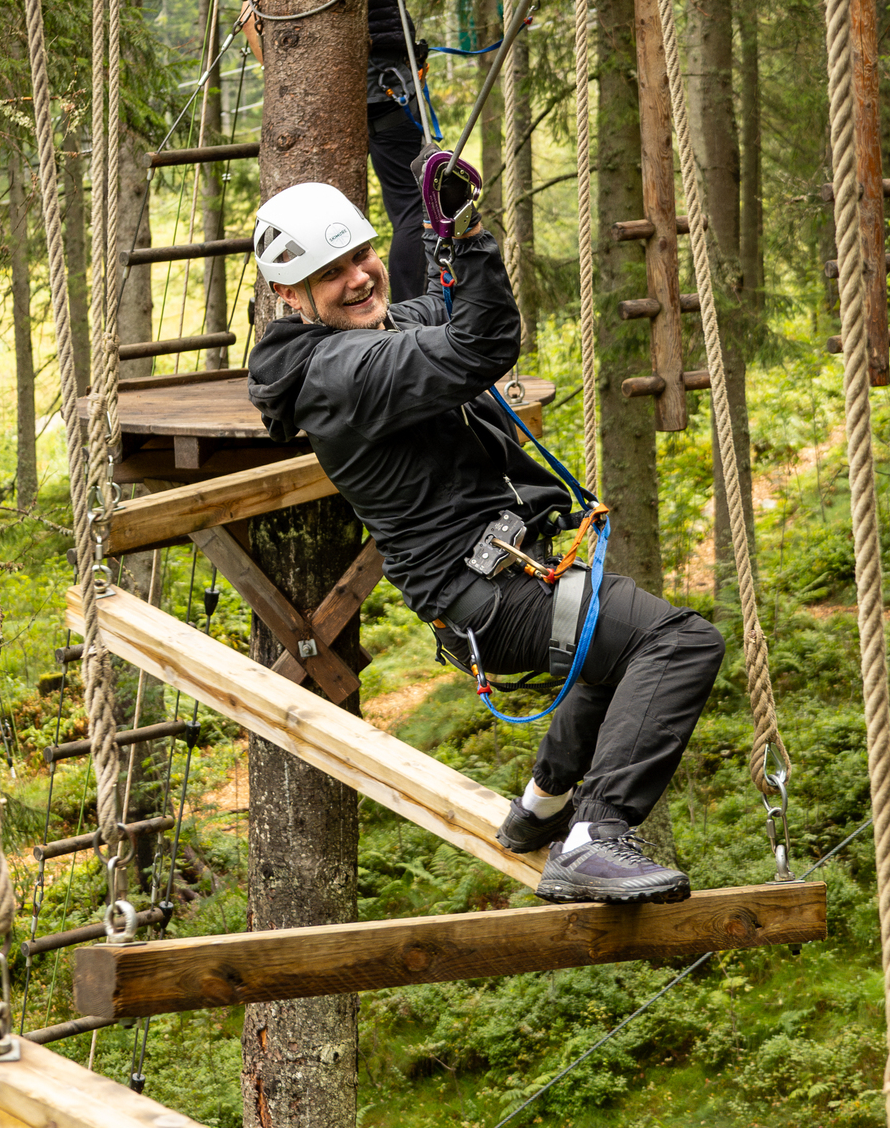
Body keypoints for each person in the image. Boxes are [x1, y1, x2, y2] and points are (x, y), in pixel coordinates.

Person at [245, 180, 726, 904]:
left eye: (363, 256)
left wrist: (439, 219)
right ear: (290, 294)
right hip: (490, 596)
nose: (360, 278)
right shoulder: (341, 372)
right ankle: (594, 840)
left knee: (617, 652)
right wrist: (468, 236)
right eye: (331, 274)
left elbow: (452, 306)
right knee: (679, 643)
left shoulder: (375, 332)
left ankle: (544, 806)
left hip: (495, 580)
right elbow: (482, 343)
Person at [243, 0, 551, 301]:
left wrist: (289, 77)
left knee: (333, 212)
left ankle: (341, 305)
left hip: (318, 101)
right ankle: (413, 311)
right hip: (384, 89)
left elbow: (250, 16)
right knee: (414, 206)